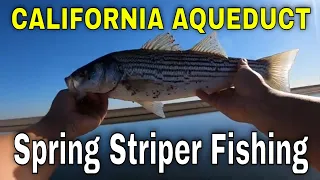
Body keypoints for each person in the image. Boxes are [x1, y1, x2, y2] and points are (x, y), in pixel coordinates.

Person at [0, 59, 319, 179]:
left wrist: (56, 127)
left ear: (111, 72)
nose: (77, 80)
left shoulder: (124, 75)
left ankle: (271, 70)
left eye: (86, 75)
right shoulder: (121, 81)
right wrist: (265, 105)